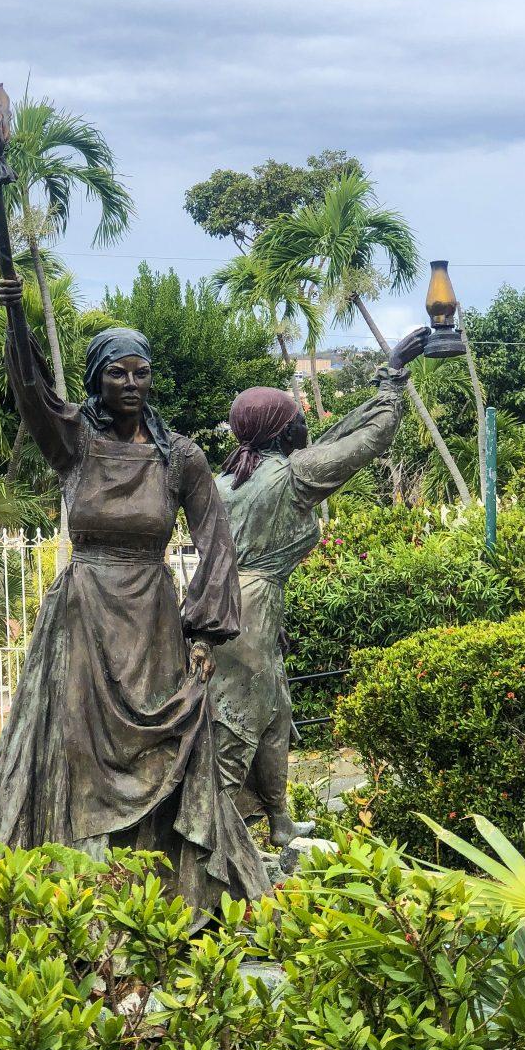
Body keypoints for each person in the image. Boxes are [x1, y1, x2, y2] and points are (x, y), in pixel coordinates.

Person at [0, 277, 269, 915]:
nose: (131, 384)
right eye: (117, 374)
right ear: (97, 381)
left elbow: (217, 543)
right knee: (79, 750)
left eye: (140, 373)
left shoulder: (179, 458)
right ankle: (83, 887)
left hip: (155, 618)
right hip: (84, 612)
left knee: (165, 747)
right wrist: (16, 318)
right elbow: (31, 395)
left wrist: (203, 631)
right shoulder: (75, 444)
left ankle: (163, 890)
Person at [210, 325, 431, 845]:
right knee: (243, 717)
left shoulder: (227, 481)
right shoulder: (291, 476)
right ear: (279, 431)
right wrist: (391, 378)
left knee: (275, 711)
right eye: (298, 418)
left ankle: (278, 820)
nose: (306, 424)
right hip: (249, 607)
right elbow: (370, 439)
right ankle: (216, 826)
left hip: (228, 604)